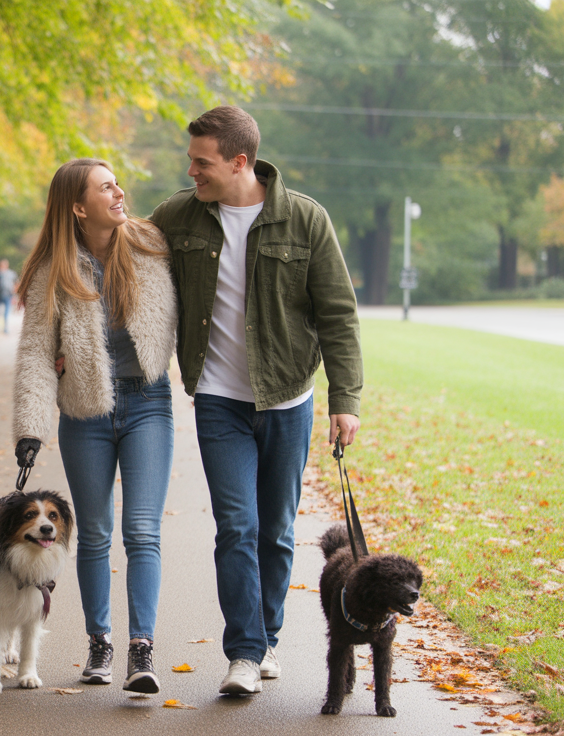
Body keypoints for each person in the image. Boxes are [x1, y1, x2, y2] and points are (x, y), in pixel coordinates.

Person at [149, 106, 363, 695]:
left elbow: (338, 315)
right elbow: (123, 257)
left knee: (276, 531)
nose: (191, 171)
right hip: (219, 399)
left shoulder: (304, 219)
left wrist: (345, 398)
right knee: (236, 526)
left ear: (239, 162)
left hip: (289, 400)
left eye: (202, 162)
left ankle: (267, 637)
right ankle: (243, 653)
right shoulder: (179, 216)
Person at [11, 159, 178, 694]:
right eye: (106, 187)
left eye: (117, 183)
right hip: (85, 410)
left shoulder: (151, 245)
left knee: (143, 531)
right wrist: (31, 427)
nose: (120, 192)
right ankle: (100, 643)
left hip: (148, 402)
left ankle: (141, 649)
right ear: (79, 207)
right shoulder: (53, 272)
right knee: (96, 533)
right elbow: (37, 352)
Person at [0, 258, 16, 333]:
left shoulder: (11, 274)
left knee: (6, 313)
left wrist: (14, 295)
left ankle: (5, 328)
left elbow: (15, 284)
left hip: (8, 295)